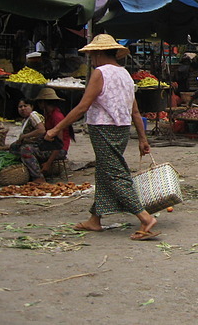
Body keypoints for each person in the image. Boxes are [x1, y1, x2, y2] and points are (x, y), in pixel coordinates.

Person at [44, 34, 160, 241]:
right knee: (105, 170)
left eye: (91, 55)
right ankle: (94, 219)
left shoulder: (100, 73)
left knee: (114, 173)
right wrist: (142, 138)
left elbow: (82, 107)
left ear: (97, 54)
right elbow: (135, 111)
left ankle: (144, 217)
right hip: (122, 129)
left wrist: (57, 129)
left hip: (103, 128)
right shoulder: (125, 74)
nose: (91, 60)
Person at [28, 89, 72, 183]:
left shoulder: (57, 116)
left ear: (44, 102)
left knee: (26, 150)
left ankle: (38, 177)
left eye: (40, 102)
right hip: (51, 146)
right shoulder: (48, 114)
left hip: (59, 150)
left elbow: (58, 144)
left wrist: (48, 163)